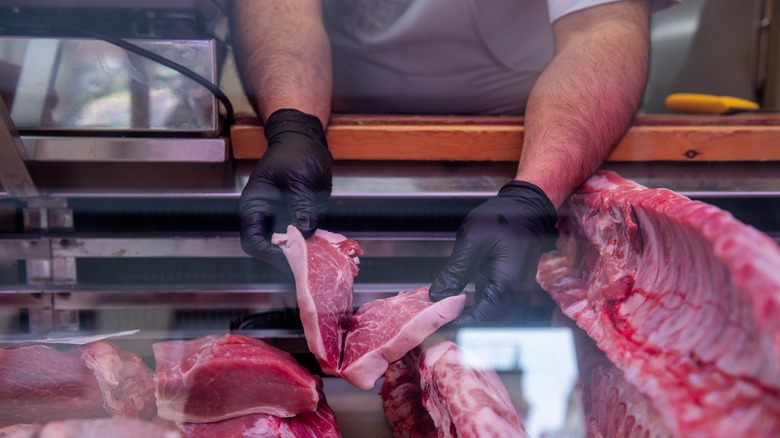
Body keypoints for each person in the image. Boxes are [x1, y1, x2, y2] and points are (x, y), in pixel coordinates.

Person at [231, 0, 678, 328]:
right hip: (322, 129)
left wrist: (533, 195)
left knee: (506, 333)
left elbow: (603, 27)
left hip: (542, 136)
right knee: (310, 338)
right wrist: (293, 125)